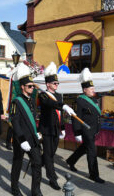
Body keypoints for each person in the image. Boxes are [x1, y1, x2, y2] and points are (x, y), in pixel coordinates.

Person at [38, 62, 75, 190]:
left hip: (56, 128)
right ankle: (52, 178)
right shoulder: (43, 95)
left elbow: (60, 113)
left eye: (57, 83)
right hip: (46, 129)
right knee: (49, 155)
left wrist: (63, 128)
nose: (57, 85)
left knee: (51, 152)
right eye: (54, 83)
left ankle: (37, 165)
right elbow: (50, 104)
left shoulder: (59, 95)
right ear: (48, 84)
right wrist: (62, 105)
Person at [66, 68, 105, 183]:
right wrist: (77, 132)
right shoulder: (80, 100)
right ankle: (94, 174)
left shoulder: (93, 99)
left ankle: (71, 161)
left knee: (84, 148)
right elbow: (76, 117)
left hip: (93, 130)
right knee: (92, 151)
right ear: (84, 90)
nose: (93, 90)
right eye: (91, 88)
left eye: (93, 88)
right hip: (86, 130)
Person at [10, 69, 43, 196]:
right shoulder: (17, 102)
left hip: (32, 138)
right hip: (21, 139)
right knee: (17, 163)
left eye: (33, 86)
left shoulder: (32, 101)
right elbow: (15, 122)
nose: (32, 88)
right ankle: (14, 188)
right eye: (29, 86)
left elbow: (33, 121)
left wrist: (37, 134)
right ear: (23, 87)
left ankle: (36, 191)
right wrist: (22, 139)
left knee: (37, 162)